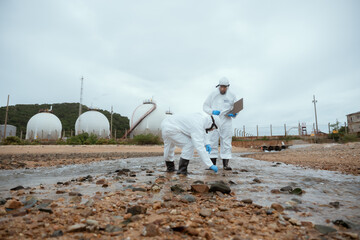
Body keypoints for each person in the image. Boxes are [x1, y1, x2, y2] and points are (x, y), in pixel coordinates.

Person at [203, 77, 237, 170]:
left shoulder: (232, 95)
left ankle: (225, 164)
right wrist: (212, 111)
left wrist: (234, 113)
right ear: (219, 86)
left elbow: (237, 106)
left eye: (225, 87)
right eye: (221, 87)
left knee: (226, 141)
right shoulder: (213, 94)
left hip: (227, 121)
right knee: (212, 140)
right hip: (215, 120)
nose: (223, 89)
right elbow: (205, 106)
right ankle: (212, 164)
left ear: (228, 86)